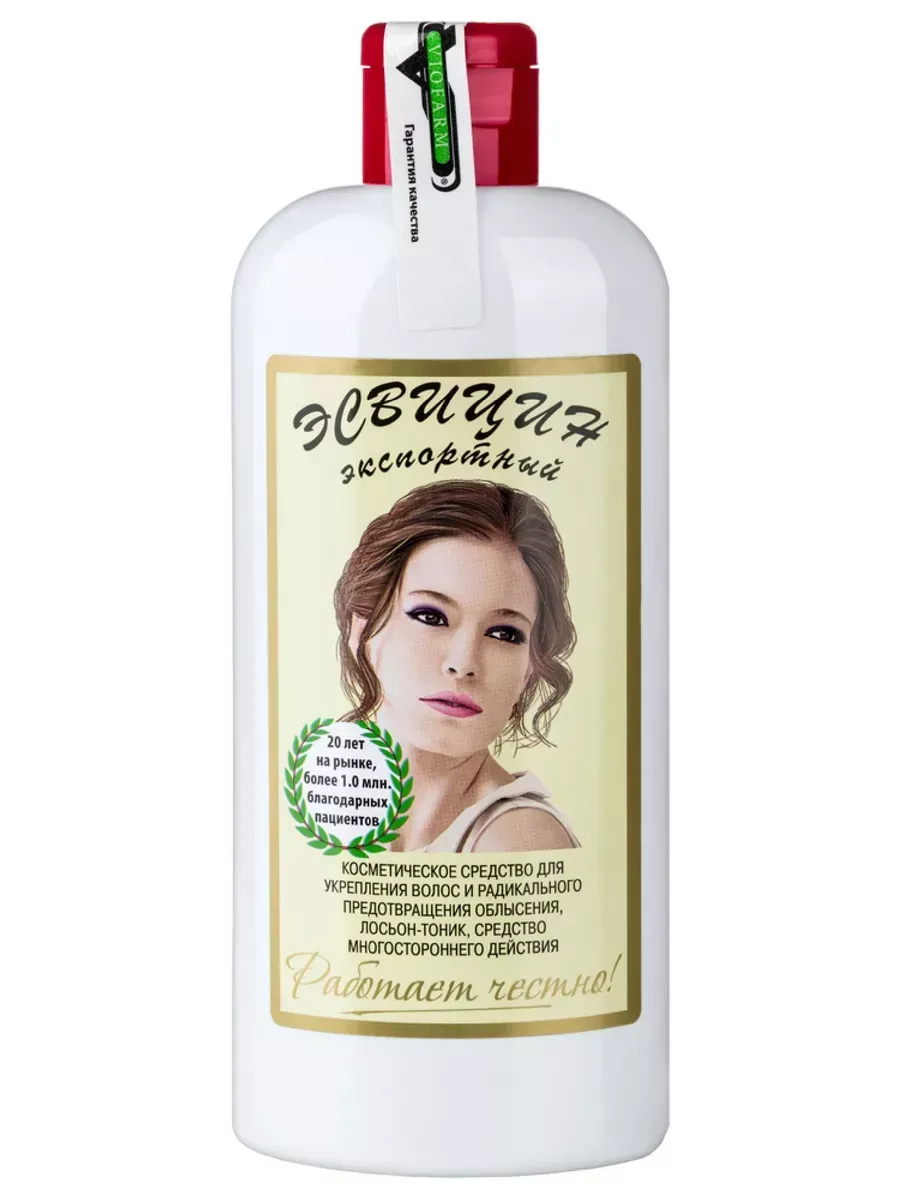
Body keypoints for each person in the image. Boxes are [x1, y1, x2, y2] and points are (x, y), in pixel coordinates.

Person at [333, 479, 580, 852]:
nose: (463, 664)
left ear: (529, 667)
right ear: (362, 631)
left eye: (504, 633)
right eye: (431, 616)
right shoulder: (332, 803)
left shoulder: (517, 837)